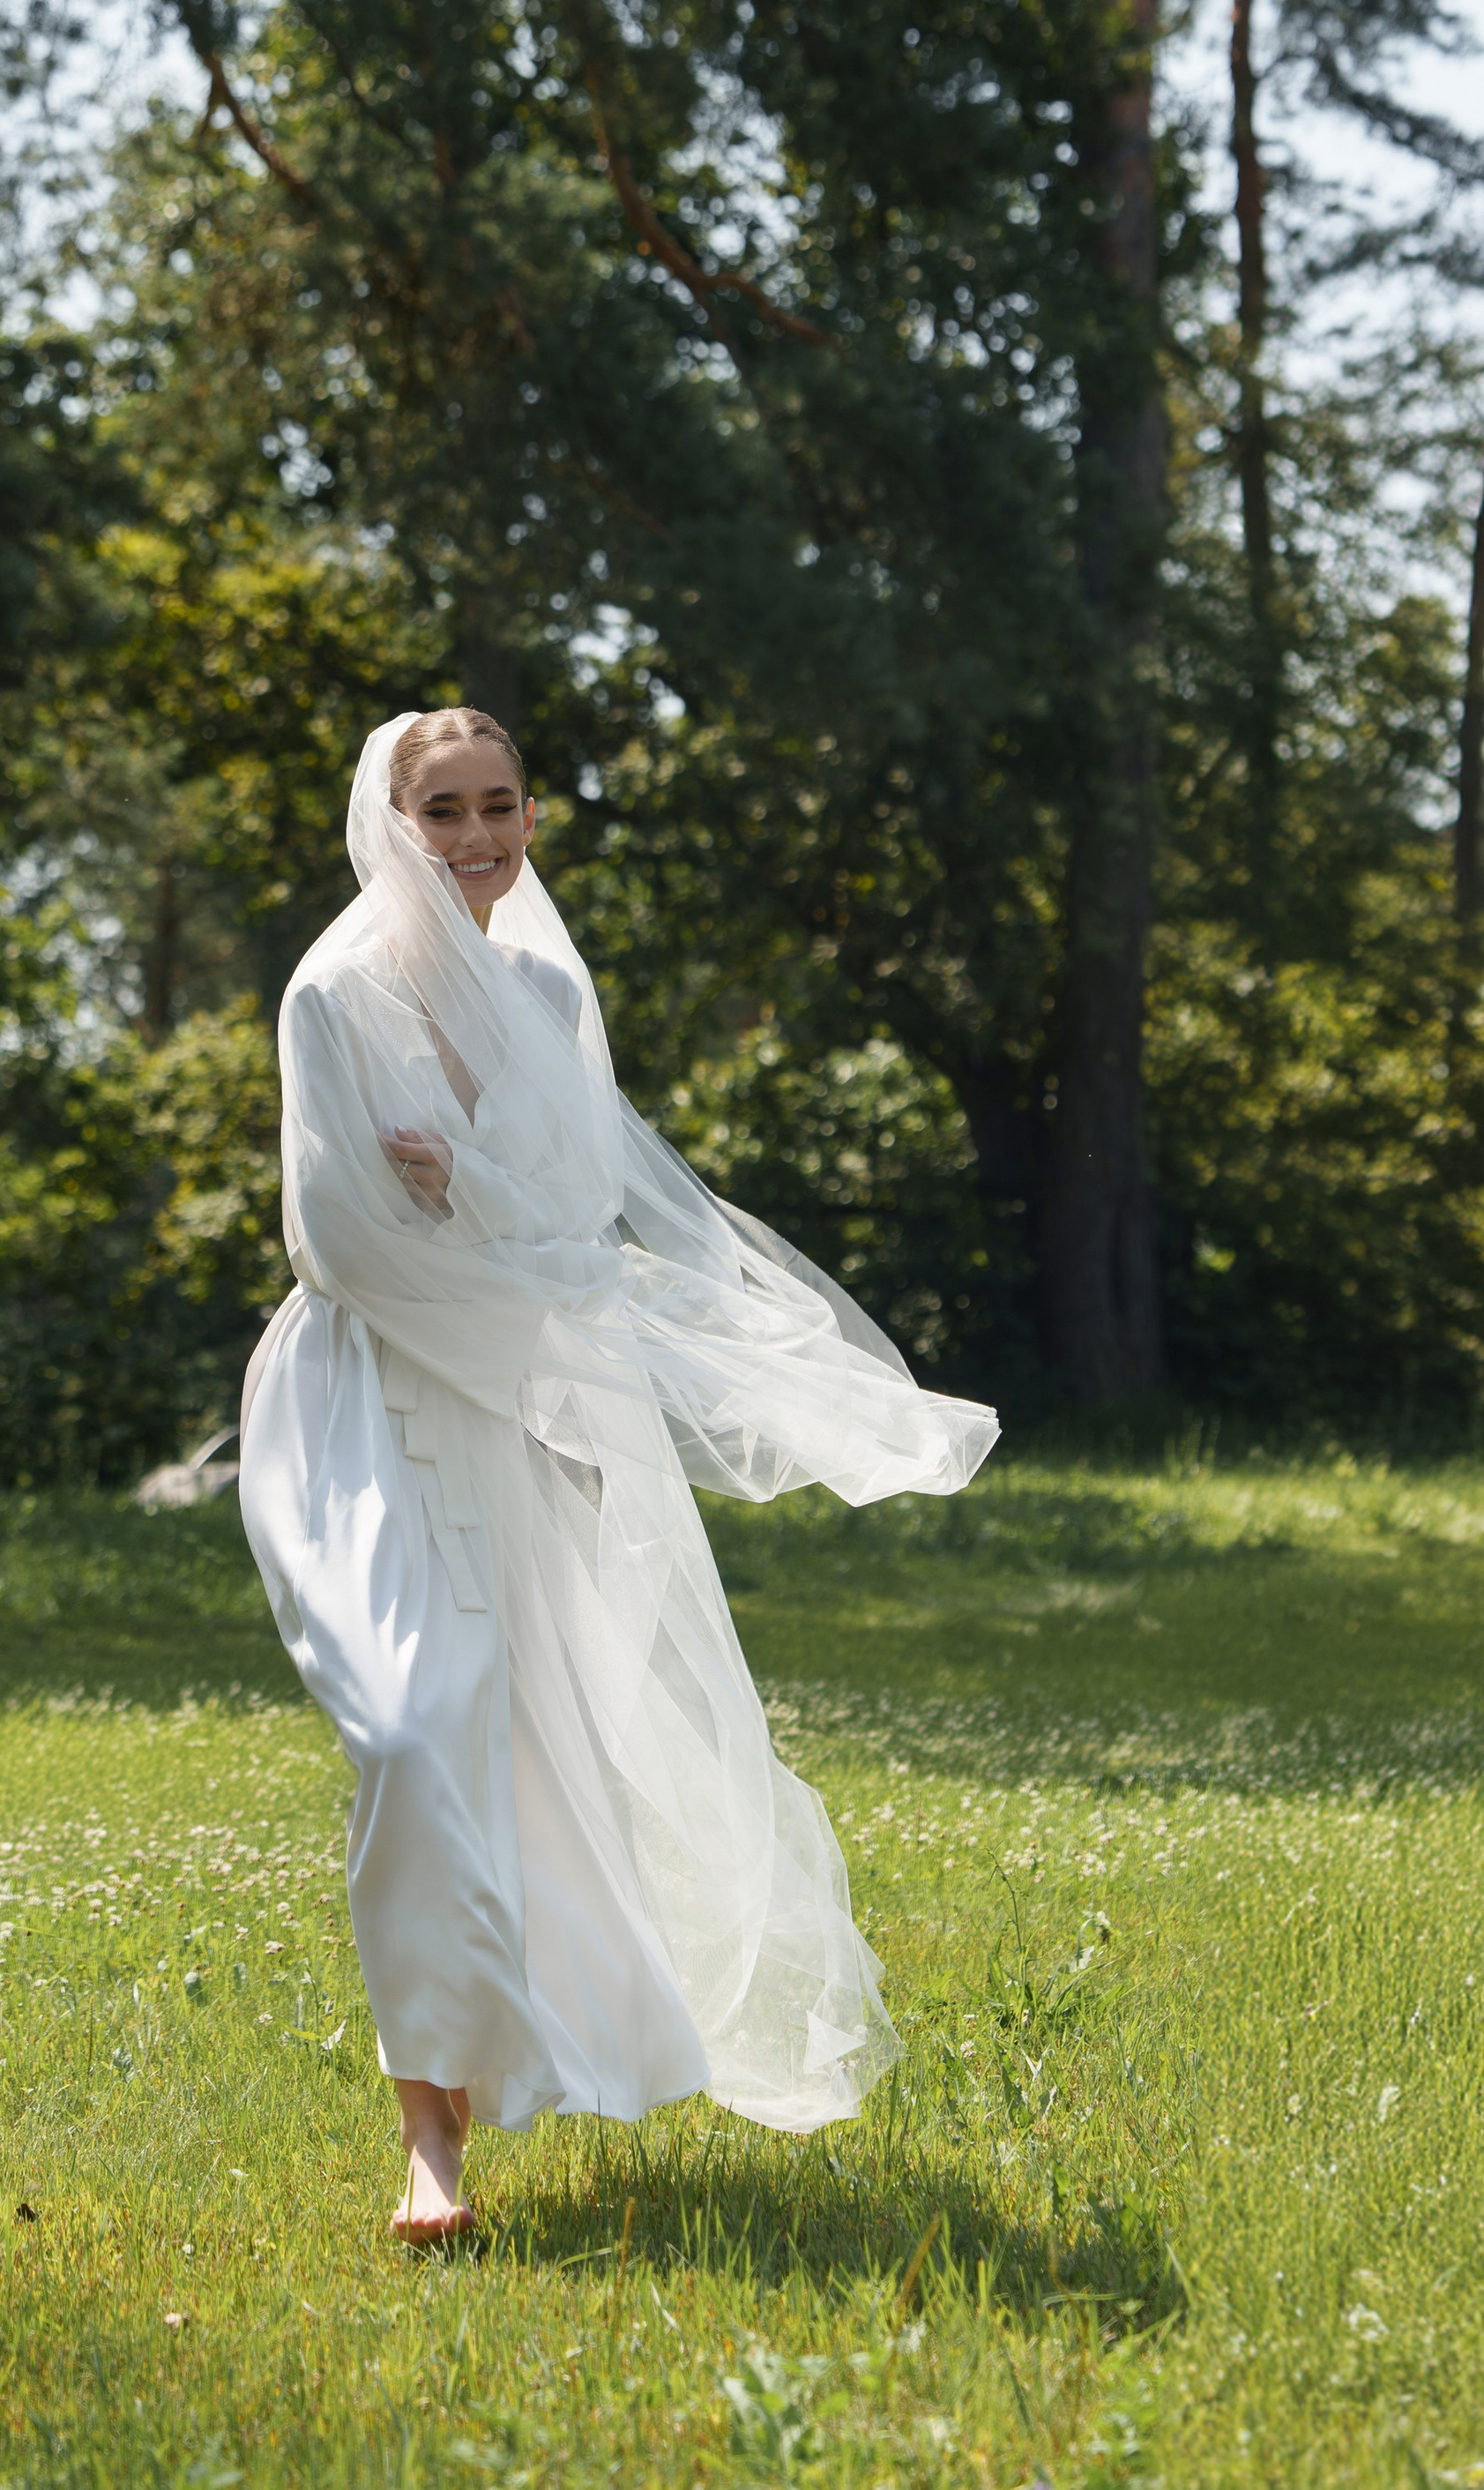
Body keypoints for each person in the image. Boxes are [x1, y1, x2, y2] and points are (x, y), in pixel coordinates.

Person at [236, 709, 997, 2245]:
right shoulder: (331, 996)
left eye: (499, 805)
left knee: (535, 1741)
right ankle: (427, 2133)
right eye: (442, 810)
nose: (475, 838)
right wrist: (488, 1230)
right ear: (391, 823)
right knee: (414, 1730)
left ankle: (478, 2095)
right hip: (373, 1400)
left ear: (531, 817)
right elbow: (342, 1238)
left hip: (522, 1394)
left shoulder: (542, 993)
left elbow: (580, 1212)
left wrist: (476, 1195)